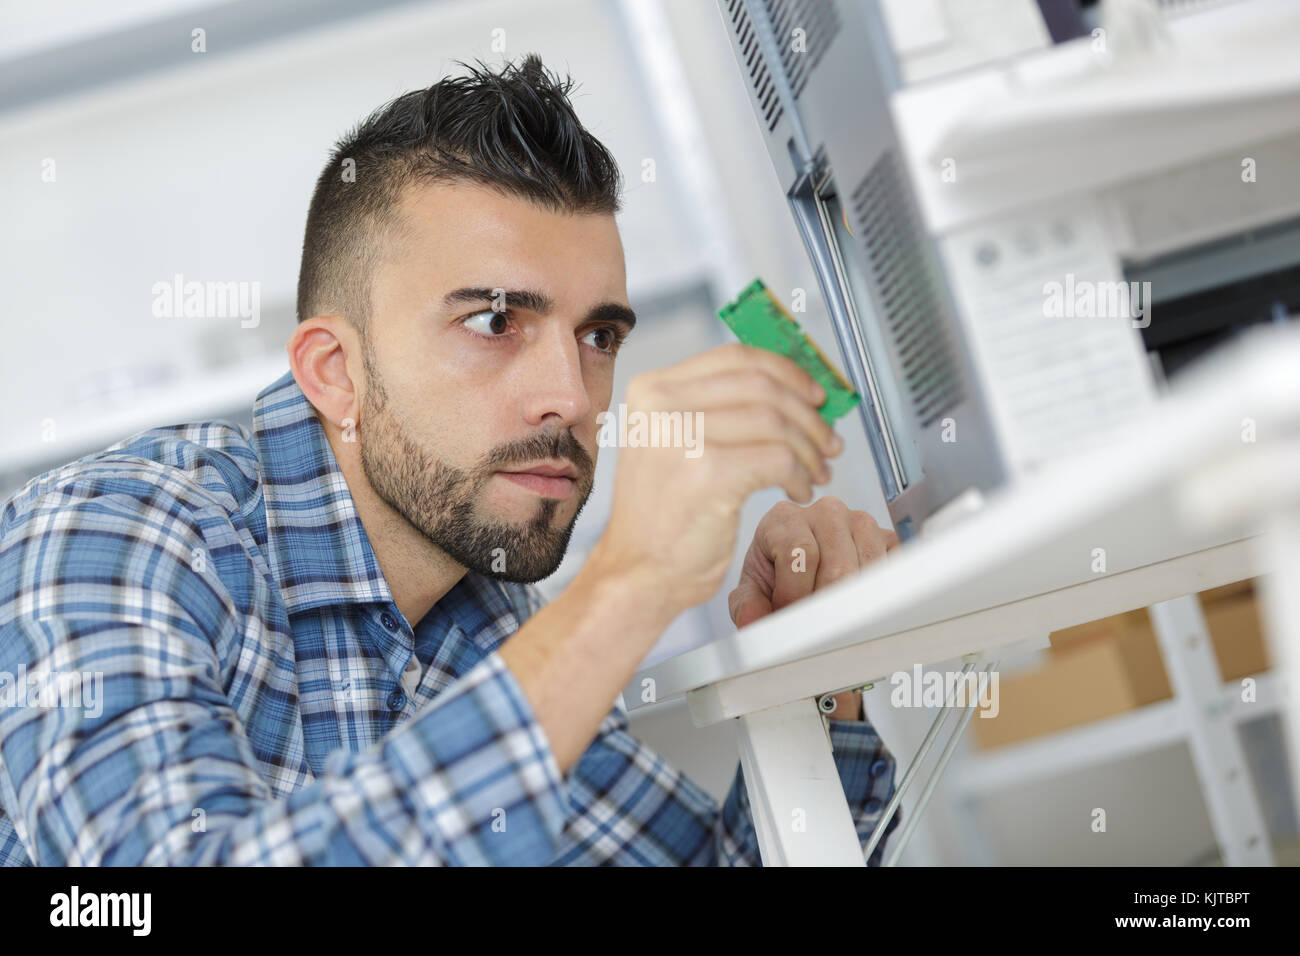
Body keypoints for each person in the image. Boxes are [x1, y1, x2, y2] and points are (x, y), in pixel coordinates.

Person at [0, 54, 900, 866]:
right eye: (494, 322)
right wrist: (627, 587)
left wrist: (817, 673)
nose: (574, 400)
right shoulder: (111, 537)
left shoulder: (481, 613)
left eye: (598, 335)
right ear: (336, 373)